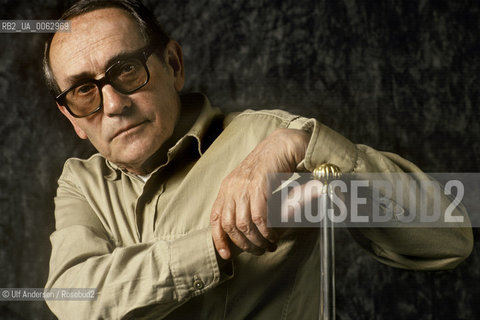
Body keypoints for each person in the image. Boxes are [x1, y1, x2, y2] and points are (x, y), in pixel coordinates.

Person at [43, 0, 473, 319]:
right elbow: (73, 297)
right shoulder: (81, 184)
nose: (114, 104)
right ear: (71, 118)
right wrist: (217, 243)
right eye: (84, 90)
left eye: (126, 71)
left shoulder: (269, 139)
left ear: (173, 65)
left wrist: (305, 146)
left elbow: (450, 235)